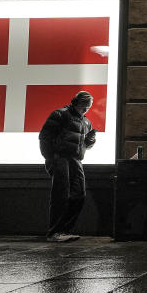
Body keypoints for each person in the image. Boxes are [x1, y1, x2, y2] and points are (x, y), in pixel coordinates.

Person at [38, 91, 97, 243]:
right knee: (61, 195)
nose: (86, 109)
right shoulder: (60, 114)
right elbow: (44, 136)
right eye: (84, 106)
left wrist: (90, 141)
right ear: (76, 102)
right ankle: (54, 232)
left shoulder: (86, 122)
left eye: (88, 107)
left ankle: (64, 230)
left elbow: (84, 145)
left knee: (79, 195)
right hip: (60, 158)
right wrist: (51, 158)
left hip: (75, 160)